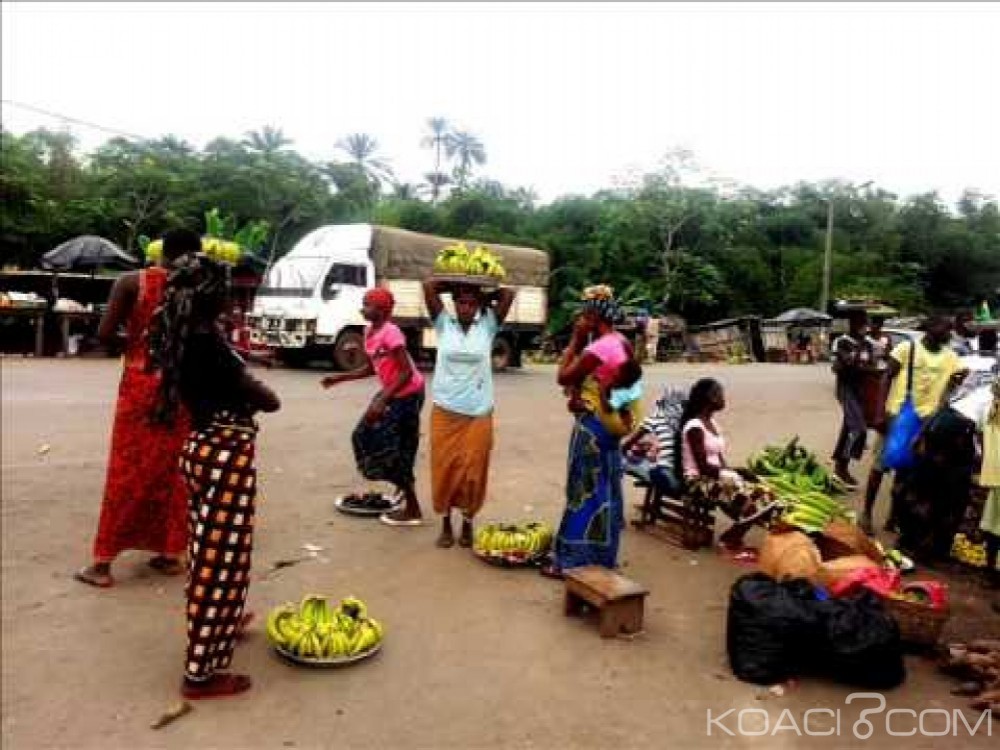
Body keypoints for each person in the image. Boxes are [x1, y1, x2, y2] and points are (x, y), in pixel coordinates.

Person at [148, 253, 280, 699]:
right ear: (211, 296)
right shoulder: (207, 346)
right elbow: (267, 399)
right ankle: (200, 674)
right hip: (224, 456)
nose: (233, 294)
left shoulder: (188, 335)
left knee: (214, 551)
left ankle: (224, 624)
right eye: (227, 287)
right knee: (219, 561)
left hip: (203, 448)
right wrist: (257, 385)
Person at [75, 228, 201, 588]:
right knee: (173, 471)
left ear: (162, 250)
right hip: (180, 389)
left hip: (140, 386)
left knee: (126, 470)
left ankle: (101, 565)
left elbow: (104, 334)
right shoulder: (197, 287)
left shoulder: (132, 283)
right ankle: (168, 553)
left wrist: (136, 344)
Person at [544, 285, 640, 578]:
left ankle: (573, 562)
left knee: (583, 491)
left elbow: (563, 377)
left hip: (593, 428)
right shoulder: (621, 341)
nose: (579, 318)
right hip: (611, 427)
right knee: (606, 489)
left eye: (583, 313)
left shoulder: (597, 348)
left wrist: (575, 339)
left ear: (592, 315)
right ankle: (602, 557)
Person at [423, 278, 515, 549]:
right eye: (461, 302)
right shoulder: (443, 323)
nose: (466, 308)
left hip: (478, 411)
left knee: (474, 471)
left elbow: (508, 293)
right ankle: (445, 523)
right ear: (454, 304)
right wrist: (457, 282)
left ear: (478, 305)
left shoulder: (487, 324)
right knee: (445, 469)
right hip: (445, 409)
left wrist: (483, 294)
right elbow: (429, 286)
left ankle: (467, 521)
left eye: (471, 303)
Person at [321, 288, 425, 525]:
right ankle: (401, 485)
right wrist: (340, 378)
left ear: (382, 310)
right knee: (362, 436)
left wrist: (382, 400)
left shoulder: (392, 333)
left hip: (408, 393)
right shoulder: (368, 332)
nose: (363, 308)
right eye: (364, 303)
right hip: (391, 392)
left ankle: (413, 507)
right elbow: (371, 368)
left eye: (368, 304)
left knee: (395, 447)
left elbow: (406, 372)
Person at [860, 315, 967, 534]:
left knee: (907, 469)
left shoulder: (951, 357)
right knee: (881, 465)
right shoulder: (906, 349)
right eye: (946, 329)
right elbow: (886, 378)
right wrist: (880, 412)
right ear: (931, 328)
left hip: (926, 422)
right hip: (898, 415)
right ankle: (866, 513)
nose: (949, 334)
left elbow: (960, 379)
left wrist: (958, 380)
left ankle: (894, 515)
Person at [679, 379, 778, 550]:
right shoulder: (694, 426)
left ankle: (734, 533)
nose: (723, 398)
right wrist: (729, 475)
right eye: (720, 394)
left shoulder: (713, 424)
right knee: (749, 502)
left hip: (715, 476)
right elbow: (702, 467)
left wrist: (736, 472)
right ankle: (731, 537)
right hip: (697, 480)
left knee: (766, 494)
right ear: (710, 398)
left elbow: (719, 459)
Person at [831, 310, 874, 487]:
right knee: (858, 429)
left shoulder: (867, 344)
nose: (866, 327)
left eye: (867, 323)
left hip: (862, 390)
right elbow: (843, 365)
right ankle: (842, 467)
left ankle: (841, 468)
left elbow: (870, 364)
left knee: (849, 427)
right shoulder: (842, 342)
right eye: (863, 323)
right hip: (846, 388)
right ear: (853, 324)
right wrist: (855, 361)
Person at [622, 387, 686, 499]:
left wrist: (625, 450)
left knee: (625, 460)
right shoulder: (687, 421)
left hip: (669, 480)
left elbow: (627, 444)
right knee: (654, 459)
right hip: (686, 478)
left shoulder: (656, 418)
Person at [601, 358, 644, 435]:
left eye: (618, 370)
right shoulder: (634, 384)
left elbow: (607, 409)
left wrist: (603, 389)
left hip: (626, 426)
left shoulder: (622, 394)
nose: (615, 371)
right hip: (635, 419)